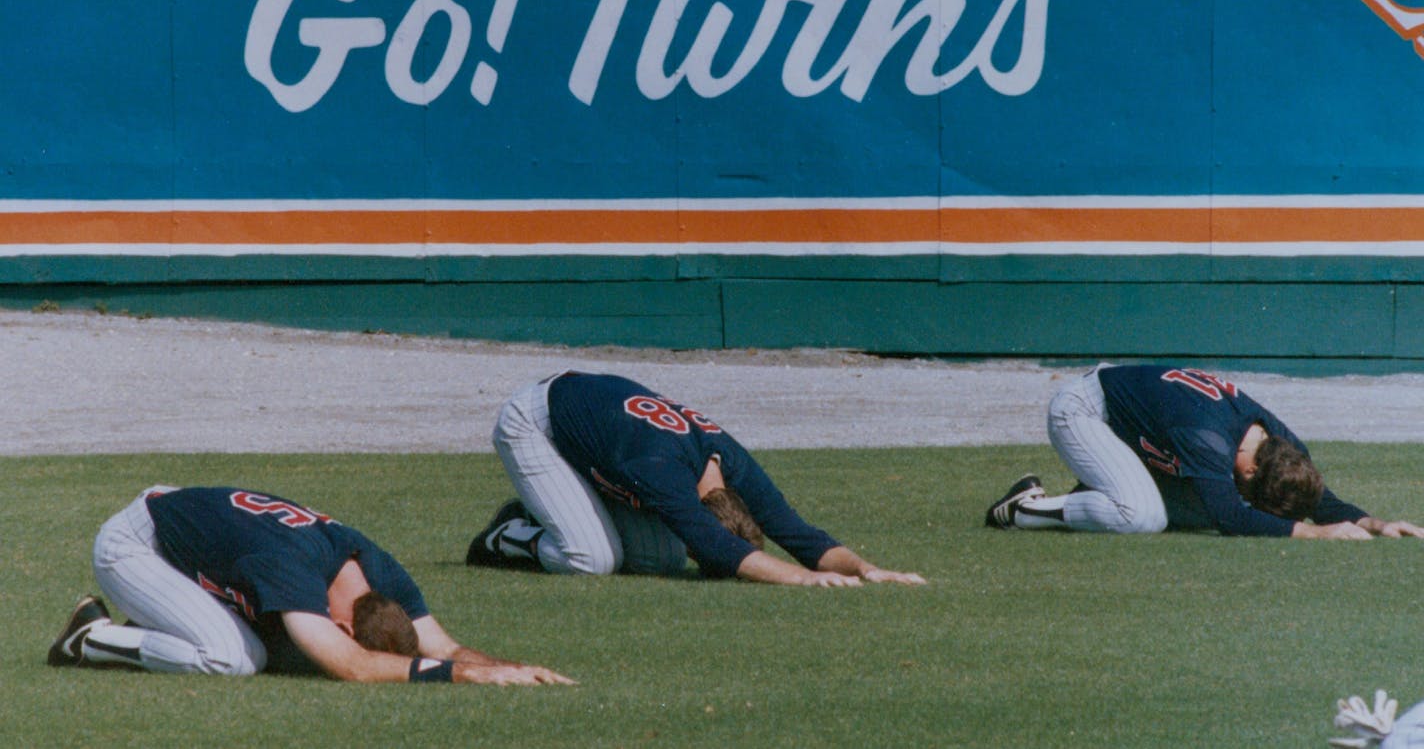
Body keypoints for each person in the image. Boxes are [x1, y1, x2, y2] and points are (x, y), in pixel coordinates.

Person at [48, 484, 575, 685]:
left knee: (253, 642)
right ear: (343, 626)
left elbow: (444, 645)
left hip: (198, 528)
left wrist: (507, 668)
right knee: (232, 659)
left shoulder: (379, 571)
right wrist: (467, 680)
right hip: (138, 544)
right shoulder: (295, 573)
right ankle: (92, 639)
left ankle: (164, 617)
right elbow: (354, 666)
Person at [466, 371, 925, 586]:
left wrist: (867, 569)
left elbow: (798, 533)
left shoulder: (734, 467)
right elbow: (718, 547)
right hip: (537, 422)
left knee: (658, 562)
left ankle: (557, 512)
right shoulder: (663, 473)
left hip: (602, 432)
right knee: (590, 558)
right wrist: (803, 581)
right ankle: (511, 534)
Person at [984, 364, 1424, 539]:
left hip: (1133, 426)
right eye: (1252, 492)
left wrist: (1372, 521)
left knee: (1194, 506)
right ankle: (1024, 509)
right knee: (1143, 517)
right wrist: (1313, 533)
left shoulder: (1279, 443)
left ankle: (1102, 490)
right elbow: (1230, 517)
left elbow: (1315, 499)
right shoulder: (1208, 439)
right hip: (1082, 411)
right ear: (1249, 473)